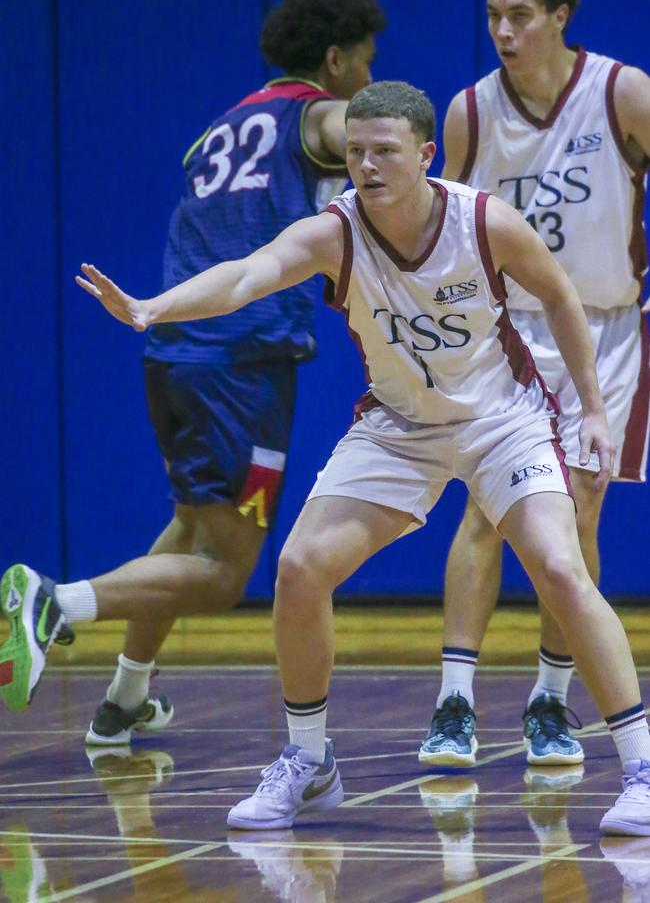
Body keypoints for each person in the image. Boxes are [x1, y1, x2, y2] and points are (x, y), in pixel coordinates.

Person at [30, 79, 650, 837]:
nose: (366, 165)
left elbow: (557, 296)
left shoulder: (484, 221)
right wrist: (158, 307)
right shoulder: (336, 231)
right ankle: (309, 764)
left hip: (503, 420)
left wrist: (590, 406)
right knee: (299, 568)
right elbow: (250, 273)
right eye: (355, 151)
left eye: (384, 151)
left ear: (425, 155)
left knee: (558, 567)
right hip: (398, 425)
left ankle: (642, 768)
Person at [0, 0, 385, 741]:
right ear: (334, 60)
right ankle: (53, 603)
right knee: (223, 574)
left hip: (176, 354)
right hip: (239, 363)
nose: (371, 79)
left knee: (187, 532)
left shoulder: (221, 127)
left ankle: (124, 698)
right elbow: (362, 126)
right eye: (368, 64)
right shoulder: (316, 117)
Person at [419, 0, 650, 771]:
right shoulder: (469, 113)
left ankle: (550, 702)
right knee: (487, 510)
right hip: (508, 330)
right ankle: (454, 701)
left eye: (520, 15)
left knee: (580, 508)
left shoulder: (623, 93)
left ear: (560, 16)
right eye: (493, 16)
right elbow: (447, 225)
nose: (504, 32)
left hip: (605, 326)